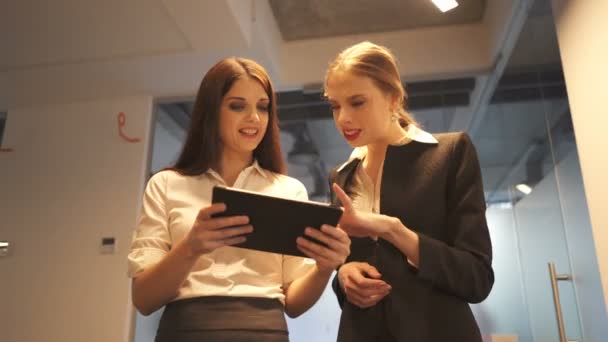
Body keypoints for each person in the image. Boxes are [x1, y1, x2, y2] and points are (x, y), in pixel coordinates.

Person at [127, 57, 350, 342]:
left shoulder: (288, 190)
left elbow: (293, 304)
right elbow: (144, 300)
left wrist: (324, 268)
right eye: (237, 106)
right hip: (185, 332)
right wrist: (191, 247)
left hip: (265, 332)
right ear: (211, 112)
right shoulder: (167, 184)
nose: (254, 118)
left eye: (262, 107)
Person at [323, 41, 494, 341]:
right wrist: (344, 276)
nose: (343, 118)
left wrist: (393, 230)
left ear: (393, 98)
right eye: (335, 105)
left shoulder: (450, 154)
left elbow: (476, 278)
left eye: (357, 102)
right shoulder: (341, 177)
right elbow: (343, 268)